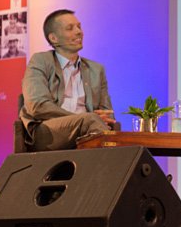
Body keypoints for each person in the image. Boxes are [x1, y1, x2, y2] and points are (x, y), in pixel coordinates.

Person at [20, 9, 116, 151]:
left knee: (100, 128)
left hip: (90, 130)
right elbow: (38, 106)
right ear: (54, 38)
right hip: (47, 130)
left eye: (79, 27)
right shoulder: (40, 61)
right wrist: (83, 118)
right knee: (92, 123)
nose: (79, 32)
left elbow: (108, 114)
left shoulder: (96, 69)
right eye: (70, 28)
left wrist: (96, 119)